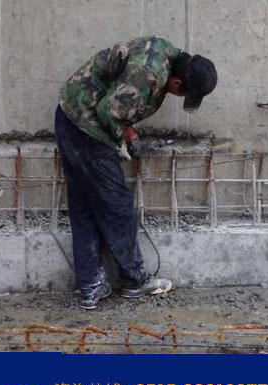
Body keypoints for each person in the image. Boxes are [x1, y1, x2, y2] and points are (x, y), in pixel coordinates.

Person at [55, 35, 217, 309]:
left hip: (72, 116)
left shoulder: (165, 52)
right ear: (177, 83)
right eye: (183, 94)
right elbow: (109, 112)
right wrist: (119, 139)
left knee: (84, 205)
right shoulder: (149, 75)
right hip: (87, 128)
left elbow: (119, 97)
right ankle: (134, 279)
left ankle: (90, 285)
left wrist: (127, 129)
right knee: (117, 206)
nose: (179, 97)